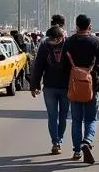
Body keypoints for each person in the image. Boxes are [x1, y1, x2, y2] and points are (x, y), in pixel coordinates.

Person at [63, 13, 99, 164]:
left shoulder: (69, 42)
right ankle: (87, 140)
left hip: (74, 84)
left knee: (76, 119)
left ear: (76, 26)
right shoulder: (96, 42)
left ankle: (76, 150)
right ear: (89, 26)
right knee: (91, 118)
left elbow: (64, 65)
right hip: (92, 84)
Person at [29, 25, 70, 154]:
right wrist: (34, 85)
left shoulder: (69, 45)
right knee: (52, 116)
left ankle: (59, 139)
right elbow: (38, 66)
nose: (50, 41)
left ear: (60, 38)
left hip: (66, 87)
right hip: (50, 87)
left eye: (53, 39)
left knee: (63, 116)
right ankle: (55, 142)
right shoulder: (45, 46)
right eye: (49, 38)